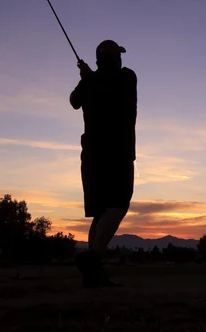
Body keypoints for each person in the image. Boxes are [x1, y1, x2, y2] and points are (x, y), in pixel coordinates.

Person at [70, 39, 137, 287]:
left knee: (100, 213)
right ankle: (94, 258)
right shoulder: (126, 77)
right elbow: (75, 100)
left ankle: (93, 275)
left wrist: (88, 78)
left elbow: (76, 99)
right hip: (118, 152)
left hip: (91, 155)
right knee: (118, 204)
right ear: (115, 58)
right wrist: (88, 78)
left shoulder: (100, 81)